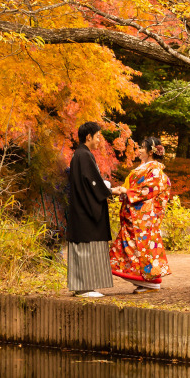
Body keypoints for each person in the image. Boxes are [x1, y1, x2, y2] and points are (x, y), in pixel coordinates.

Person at [67, 121, 123, 298]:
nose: (99, 140)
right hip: (85, 210)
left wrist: (106, 188)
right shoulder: (84, 155)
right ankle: (85, 287)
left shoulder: (80, 155)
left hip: (80, 208)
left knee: (84, 247)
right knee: (86, 246)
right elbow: (93, 183)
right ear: (88, 136)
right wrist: (111, 190)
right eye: (97, 136)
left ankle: (82, 286)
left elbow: (91, 181)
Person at [109, 136, 171, 292]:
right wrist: (124, 191)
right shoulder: (145, 167)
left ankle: (150, 281)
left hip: (143, 217)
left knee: (141, 248)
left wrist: (127, 191)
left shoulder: (155, 169)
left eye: (142, 147)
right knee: (134, 248)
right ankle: (145, 281)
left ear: (150, 151)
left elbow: (149, 190)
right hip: (135, 214)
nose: (140, 150)